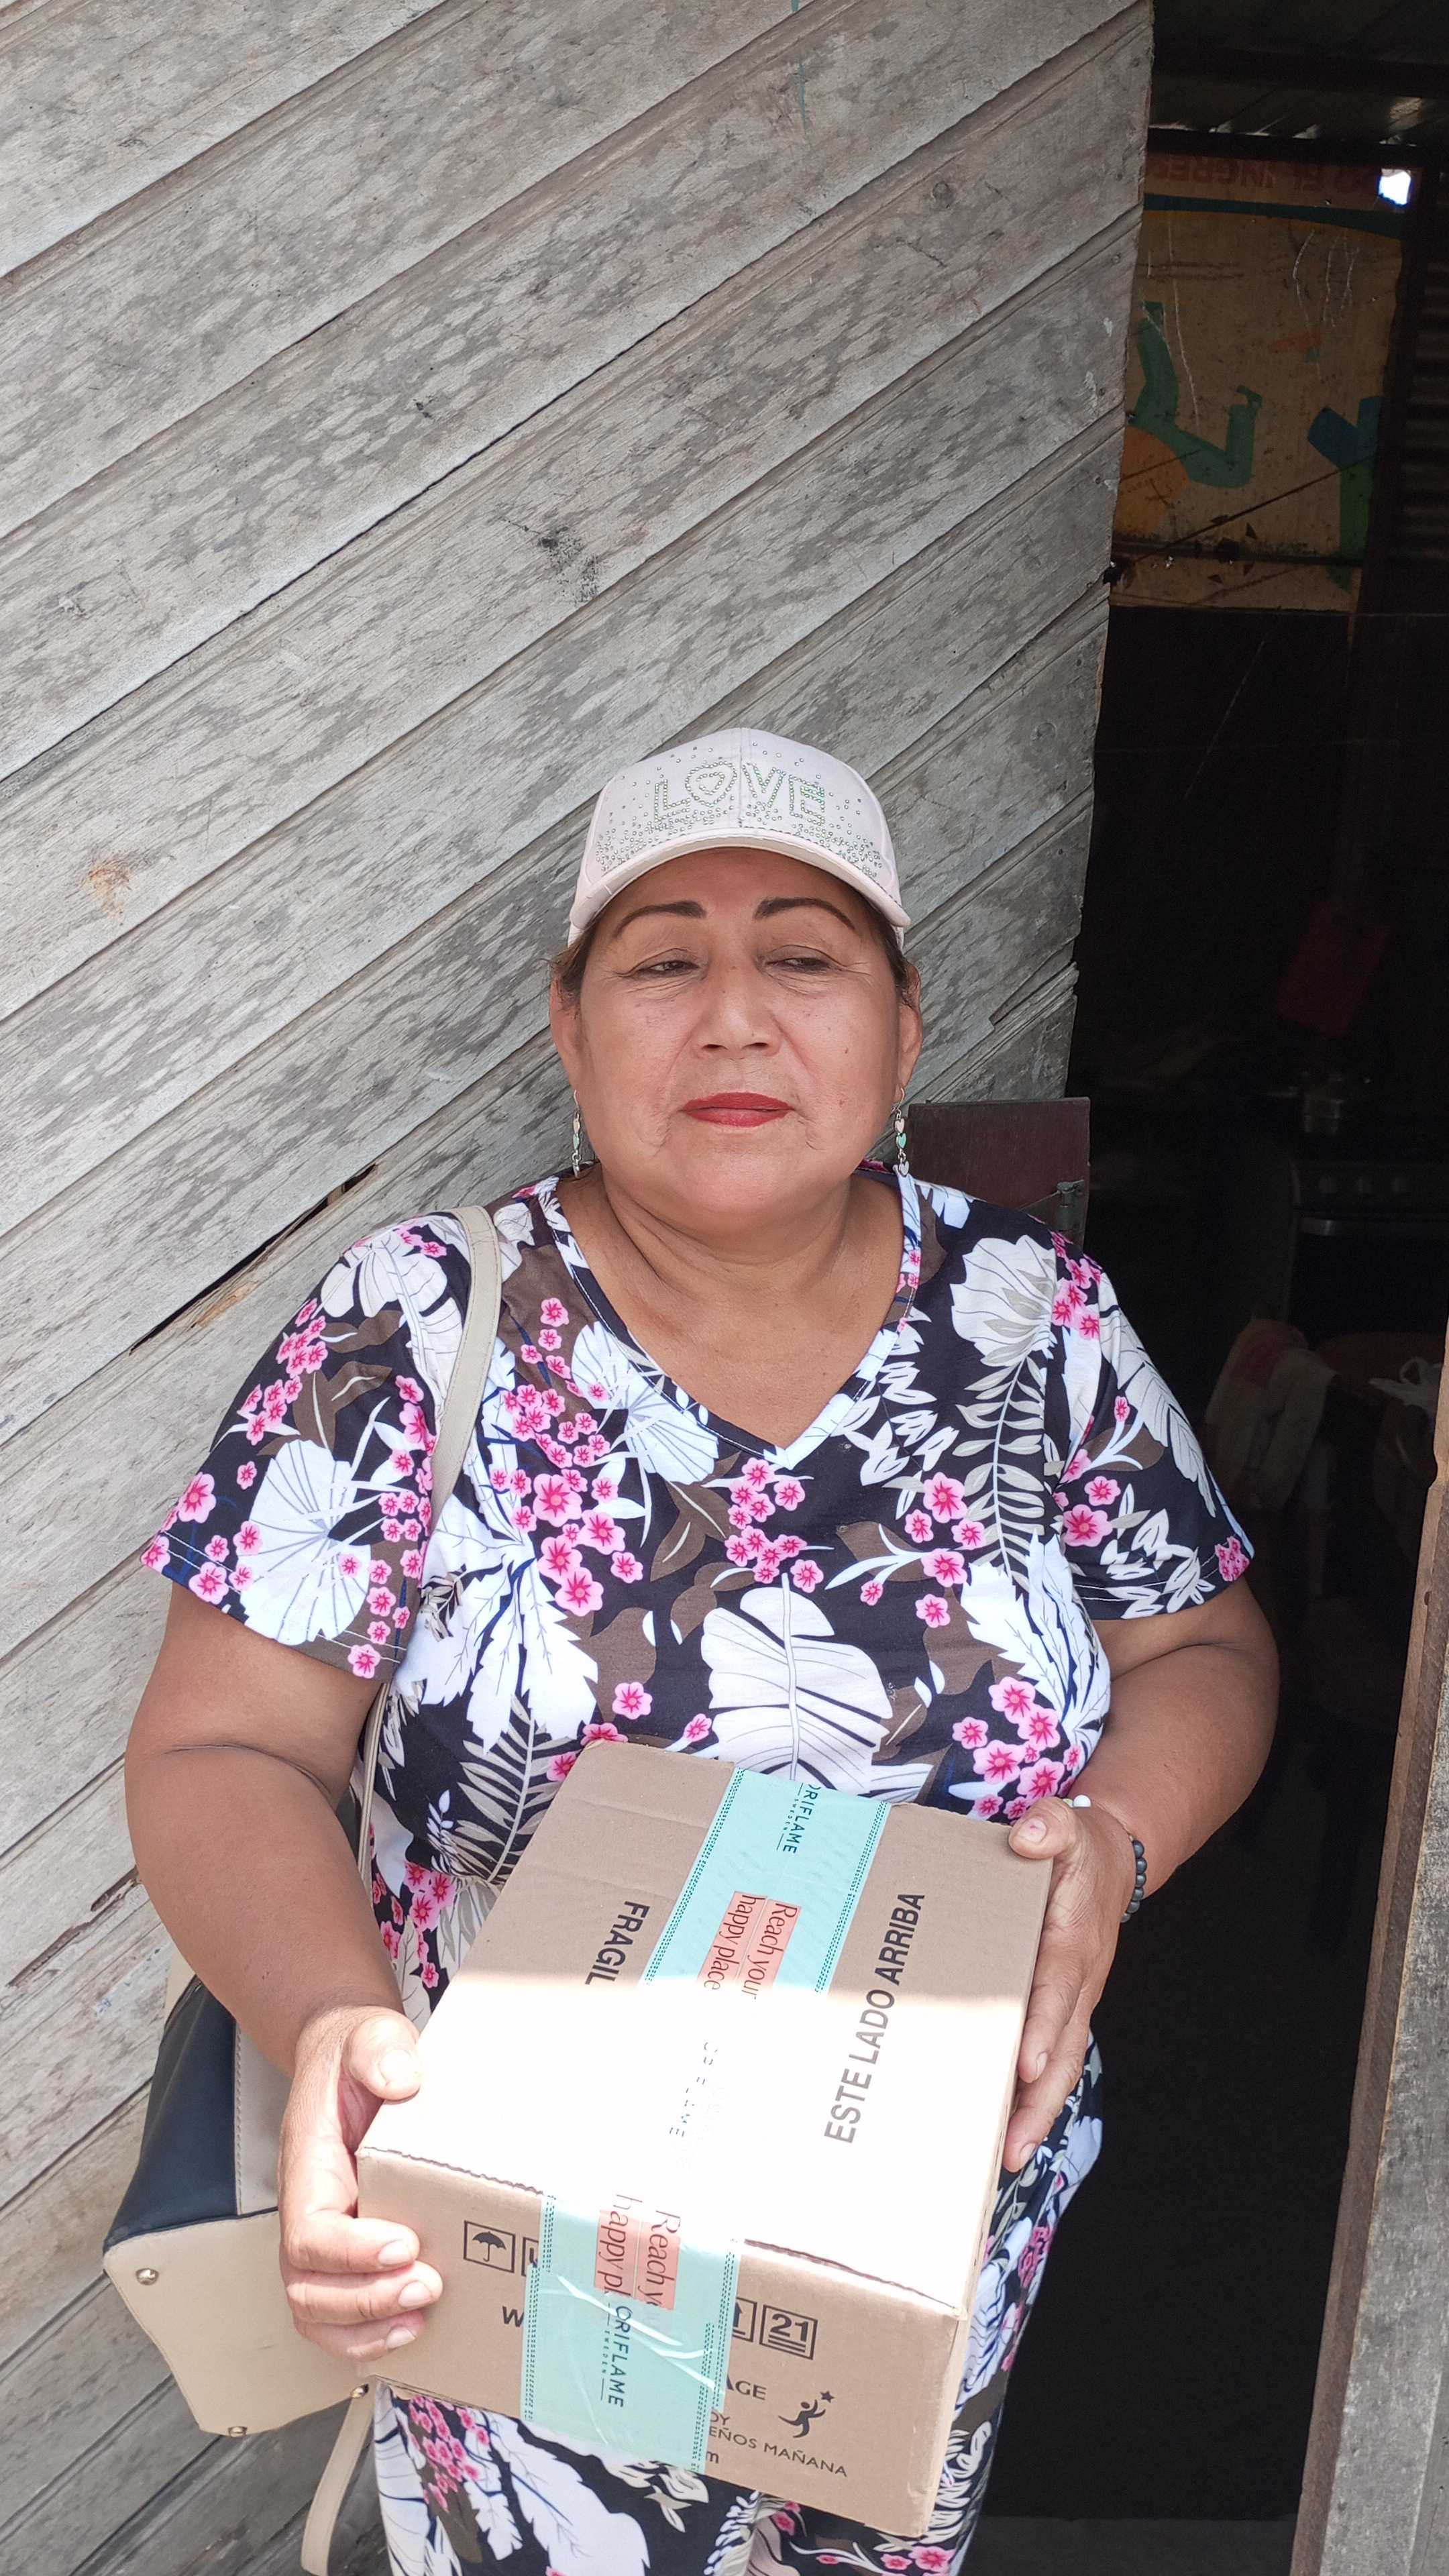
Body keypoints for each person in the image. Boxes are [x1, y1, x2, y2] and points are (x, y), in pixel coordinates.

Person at [126, 726, 1277, 2575]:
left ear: (901, 1029)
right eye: (665, 961)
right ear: (572, 1029)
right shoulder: (414, 1321)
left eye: (804, 956)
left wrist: (1118, 1845)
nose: (735, 1017)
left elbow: (1204, 1647)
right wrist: (333, 2019)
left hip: (929, 2240)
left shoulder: (1032, 1319)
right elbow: (224, 1748)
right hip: (522, 2256)